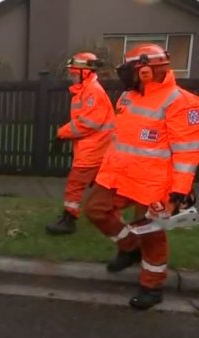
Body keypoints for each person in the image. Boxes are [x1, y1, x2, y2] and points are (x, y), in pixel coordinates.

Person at [84, 43, 199, 310]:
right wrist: (102, 170)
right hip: (119, 177)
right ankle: (129, 246)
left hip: (155, 185)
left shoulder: (181, 103)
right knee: (95, 210)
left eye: (130, 70)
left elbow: (187, 153)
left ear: (147, 71)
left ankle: (152, 286)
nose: (125, 76)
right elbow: (119, 140)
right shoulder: (128, 97)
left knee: (153, 235)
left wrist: (180, 192)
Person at [46, 52, 115, 235]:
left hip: (93, 149)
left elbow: (88, 123)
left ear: (85, 72)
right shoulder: (85, 91)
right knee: (103, 186)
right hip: (94, 147)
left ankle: (69, 219)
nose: (72, 76)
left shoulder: (92, 92)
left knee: (75, 185)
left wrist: (62, 133)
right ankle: (104, 213)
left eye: (75, 73)